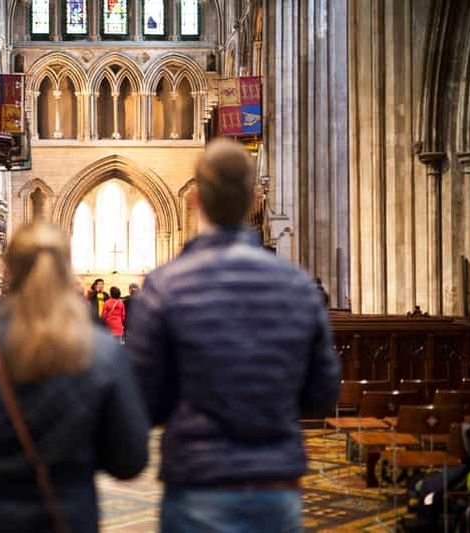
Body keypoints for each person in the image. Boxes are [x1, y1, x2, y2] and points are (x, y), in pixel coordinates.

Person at [127, 138, 340, 533]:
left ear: (195, 199)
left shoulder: (164, 288)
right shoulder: (297, 286)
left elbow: (144, 400)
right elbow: (323, 394)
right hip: (274, 485)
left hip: (197, 483)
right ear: (253, 199)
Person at [0, 222, 149, 533]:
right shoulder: (102, 351)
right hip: (65, 517)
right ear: (66, 270)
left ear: (8, 270)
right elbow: (129, 459)